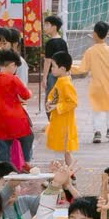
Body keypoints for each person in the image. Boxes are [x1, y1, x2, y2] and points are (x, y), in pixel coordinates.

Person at [74, 23, 109, 146]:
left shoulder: (90, 51)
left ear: (94, 34)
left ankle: (97, 132)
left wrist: (69, 68)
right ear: (107, 35)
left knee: (96, 109)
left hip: (96, 85)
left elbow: (82, 69)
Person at [0, 49, 35, 168]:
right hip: (16, 118)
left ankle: (3, 169)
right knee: (27, 138)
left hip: (0, 119)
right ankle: (26, 162)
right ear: (12, 64)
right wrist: (29, 92)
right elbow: (25, 95)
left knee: (4, 145)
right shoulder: (13, 79)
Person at [42, 37, 82, 174]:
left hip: (63, 124)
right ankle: (70, 174)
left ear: (62, 68)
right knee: (64, 152)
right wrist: (50, 103)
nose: (51, 69)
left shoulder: (65, 83)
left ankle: (59, 177)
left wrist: (56, 107)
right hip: (59, 122)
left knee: (59, 152)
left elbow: (73, 102)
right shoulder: (61, 81)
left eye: (53, 66)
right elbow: (54, 96)